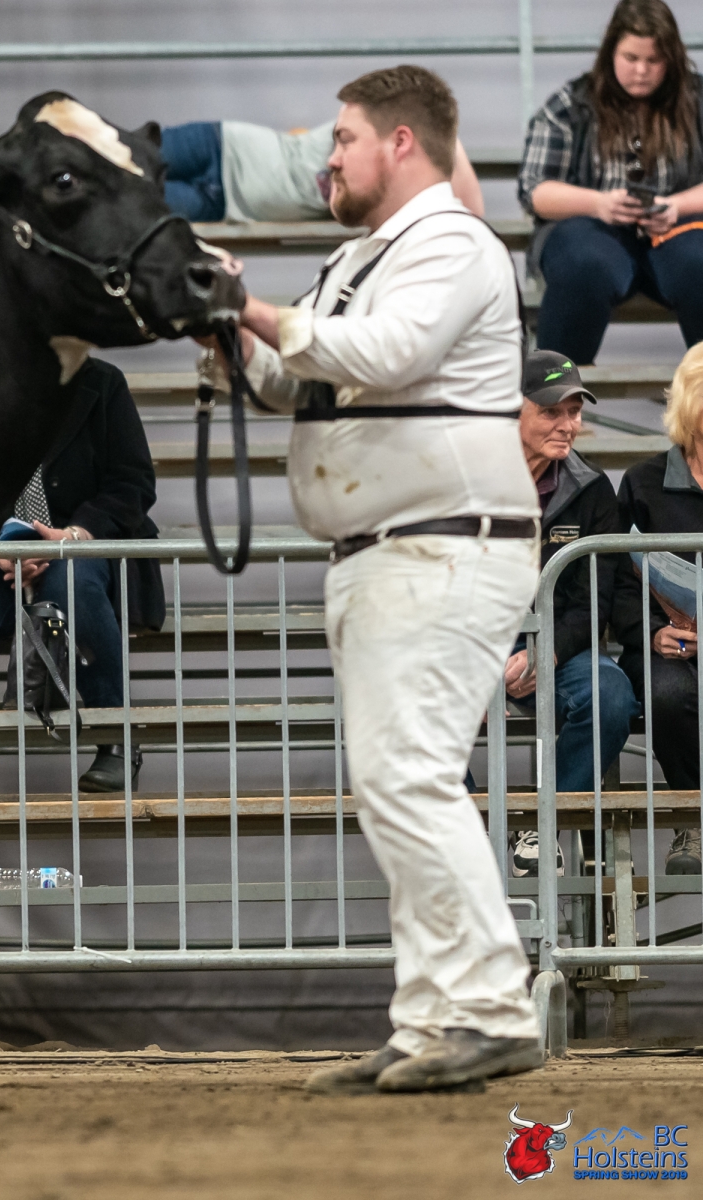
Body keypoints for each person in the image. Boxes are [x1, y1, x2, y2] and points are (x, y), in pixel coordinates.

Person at [203, 66, 545, 1093]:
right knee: (393, 784)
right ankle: (430, 1018)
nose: (329, 158)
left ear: (401, 141)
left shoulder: (453, 243)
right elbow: (289, 376)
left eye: (343, 137)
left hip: (444, 543)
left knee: (411, 777)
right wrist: (225, 328)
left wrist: (256, 308)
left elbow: (389, 353)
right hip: (384, 551)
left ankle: (490, 1009)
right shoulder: (360, 255)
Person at [0, 358, 162, 796]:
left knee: (69, 584)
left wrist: (71, 536)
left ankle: (116, 741)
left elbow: (133, 484)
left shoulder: (102, 382)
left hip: (82, 543)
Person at [500, 352, 638, 879]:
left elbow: (593, 599)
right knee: (410, 700)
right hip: (471, 643)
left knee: (611, 695)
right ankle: (462, 838)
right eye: (551, 411)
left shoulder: (593, 489)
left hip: (558, 645)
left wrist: (547, 653)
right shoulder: (465, 482)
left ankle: (542, 823)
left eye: (575, 411)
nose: (568, 425)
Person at [519, 0, 703, 364]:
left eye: (654, 60)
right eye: (631, 58)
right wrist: (599, 203)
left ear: (672, 59)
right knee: (583, 266)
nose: (641, 71)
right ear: (610, 52)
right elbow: (535, 190)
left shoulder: (695, 100)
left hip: (679, 230)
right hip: (593, 230)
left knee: (699, 264)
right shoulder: (572, 104)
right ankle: (554, 392)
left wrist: (676, 206)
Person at [611, 342, 703, 876]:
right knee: (667, 692)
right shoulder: (644, 482)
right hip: (668, 641)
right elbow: (620, 581)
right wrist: (650, 632)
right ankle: (693, 819)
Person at [161, 118, 484, 222]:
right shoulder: (365, 124)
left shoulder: (379, 198)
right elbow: (440, 134)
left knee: (133, 205)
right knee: (127, 158)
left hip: (222, 203)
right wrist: (447, 142)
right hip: (219, 145)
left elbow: (471, 217)